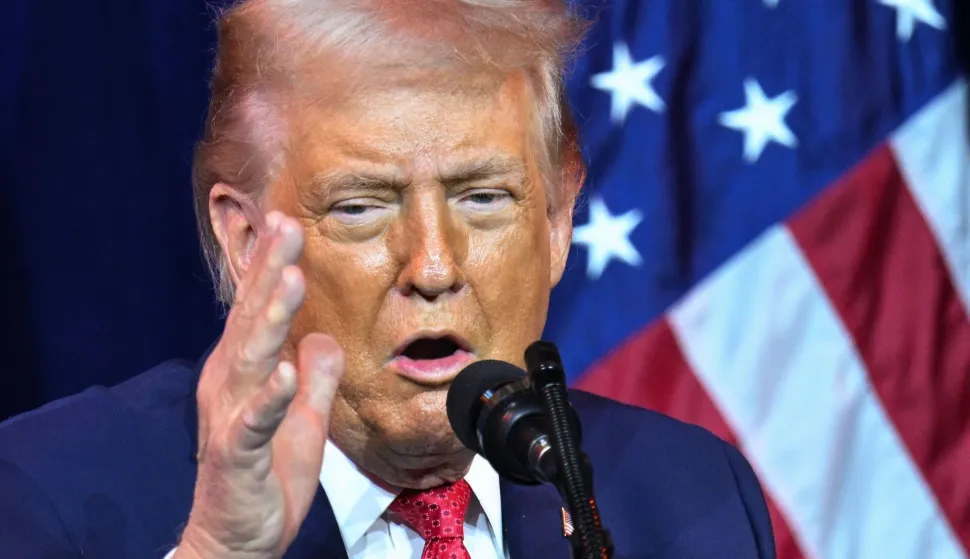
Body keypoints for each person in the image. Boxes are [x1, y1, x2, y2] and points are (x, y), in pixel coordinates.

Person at [0, 0, 776, 557]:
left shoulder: (691, 496)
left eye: (483, 197)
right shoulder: (48, 495)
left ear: (556, 220)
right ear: (243, 238)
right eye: (362, 206)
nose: (434, 266)